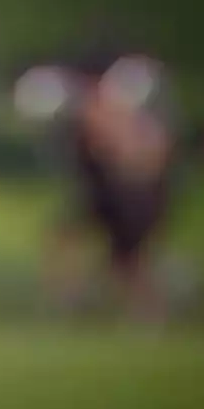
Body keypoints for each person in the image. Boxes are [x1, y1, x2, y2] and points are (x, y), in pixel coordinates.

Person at [44, 52, 175, 321]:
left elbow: (140, 159)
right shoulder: (101, 113)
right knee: (68, 238)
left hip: (129, 199)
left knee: (126, 262)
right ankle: (72, 298)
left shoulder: (117, 116)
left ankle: (148, 313)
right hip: (112, 196)